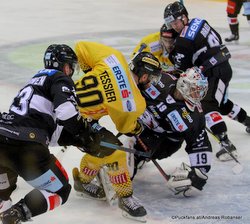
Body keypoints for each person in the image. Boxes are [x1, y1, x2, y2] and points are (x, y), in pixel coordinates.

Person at [0, 44, 95, 223]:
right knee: (60, 190)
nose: (71, 71)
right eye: (70, 66)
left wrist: (76, 139)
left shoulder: (33, 81)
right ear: (63, 65)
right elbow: (67, 114)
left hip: (2, 139)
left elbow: (49, 134)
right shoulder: (59, 78)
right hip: (25, 147)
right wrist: (85, 133)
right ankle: (15, 215)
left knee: (2, 196)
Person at [71, 41, 153, 222]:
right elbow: (124, 128)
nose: (151, 83)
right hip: (72, 123)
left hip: (60, 101)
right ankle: (126, 198)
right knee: (115, 152)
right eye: (152, 79)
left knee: (101, 144)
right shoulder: (135, 102)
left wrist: (92, 75)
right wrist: (137, 127)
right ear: (144, 76)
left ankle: (82, 183)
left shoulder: (114, 57)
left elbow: (81, 48)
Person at [164, 1, 250, 161]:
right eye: (170, 24)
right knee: (220, 102)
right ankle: (248, 121)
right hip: (222, 66)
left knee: (206, 106)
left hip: (213, 72)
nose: (174, 26)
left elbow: (181, 71)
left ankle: (225, 144)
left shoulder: (182, 41)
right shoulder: (199, 21)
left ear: (184, 18)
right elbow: (215, 39)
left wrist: (171, 57)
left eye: (175, 22)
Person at [129, 53, 212, 197]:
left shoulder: (194, 117)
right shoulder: (162, 81)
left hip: (164, 142)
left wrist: (199, 174)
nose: (197, 96)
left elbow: (200, 143)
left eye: (199, 93)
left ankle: (125, 175)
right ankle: (131, 162)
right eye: (194, 90)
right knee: (126, 141)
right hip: (142, 124)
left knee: (130, 146)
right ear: (183, 84)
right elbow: (138, 84)